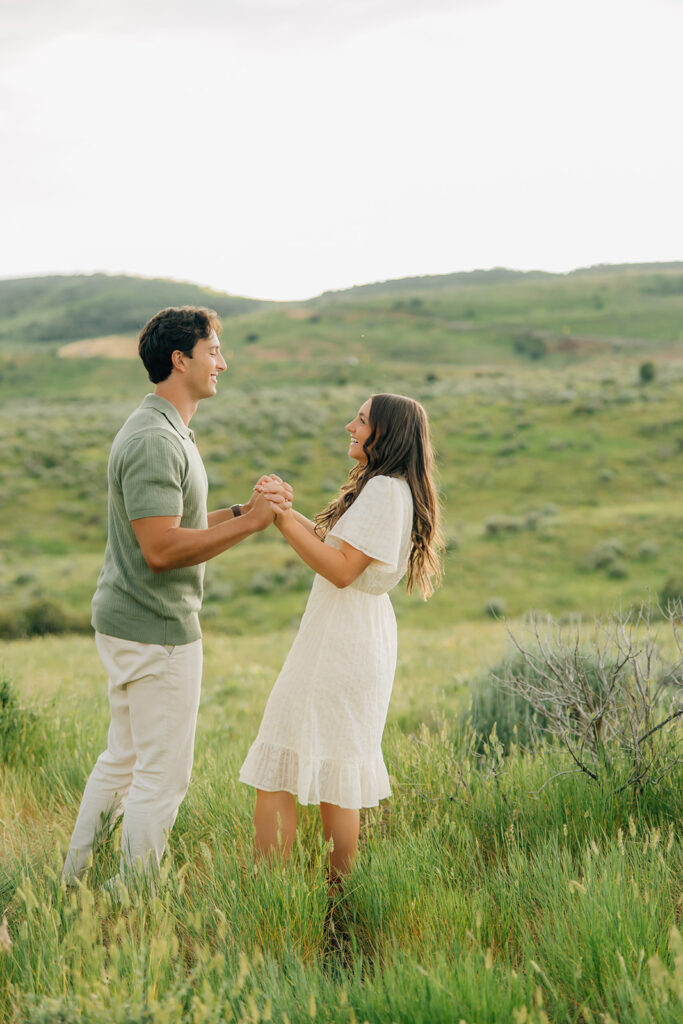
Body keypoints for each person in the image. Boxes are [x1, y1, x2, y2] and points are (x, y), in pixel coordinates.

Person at [63, 305, 278, 886]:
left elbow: (173, 521)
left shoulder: (163, 430)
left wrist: (237, 511)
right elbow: (161, 548)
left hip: (132, 620)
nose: (222, 364)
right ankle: (130, 897)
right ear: (180, 359)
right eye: (213, 351)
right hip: (154, 628)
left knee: (125, 760)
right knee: (161, 774)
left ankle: (77, 883)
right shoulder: (156, 439)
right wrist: (252, 526)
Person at [239, 393, 442, 880]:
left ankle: (270, 894)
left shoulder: (382, 492)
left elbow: (342, 570)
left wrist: (281, 519)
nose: (349, 426)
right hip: (358, 637)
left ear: (385, 433)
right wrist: (287, 511)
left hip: (339, 643)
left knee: (278, 765)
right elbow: (343, 550)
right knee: (339, 772)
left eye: (361, 420)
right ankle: (339, 903)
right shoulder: (394, 490)